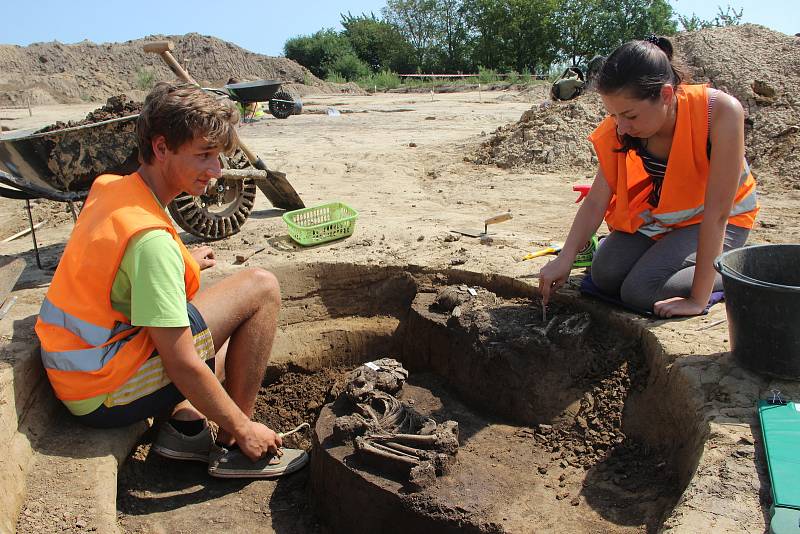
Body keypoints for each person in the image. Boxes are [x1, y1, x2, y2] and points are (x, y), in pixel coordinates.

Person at [34, 82, 308, 478]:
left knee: (214, 322)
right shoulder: (152, 244)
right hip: (102, 393)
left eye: (218, 156)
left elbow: (125, 271)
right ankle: (236, 449)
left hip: (79, 367)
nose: (216, 171)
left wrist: (186, 260)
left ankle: (185, 426)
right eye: (204, 156)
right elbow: (181, 363)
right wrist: (245, 429)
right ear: (162, 148)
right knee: (261, 289)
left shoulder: (112, 187)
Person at [538, 36, 758, 318]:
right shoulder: (623, 125)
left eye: (630, 116)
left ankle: (739, 265)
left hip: (719, 221)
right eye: (614, 115)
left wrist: (697, 300)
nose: (622, 127)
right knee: (604, 274)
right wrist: (566, 257)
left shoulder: (720, 112)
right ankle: (670, 258)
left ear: (666, 95)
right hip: (665, 217)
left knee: (641, 290)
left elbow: (717, 215)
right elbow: (596, 200)